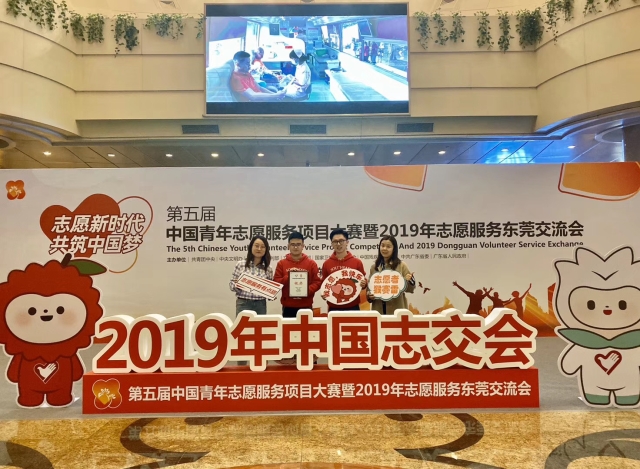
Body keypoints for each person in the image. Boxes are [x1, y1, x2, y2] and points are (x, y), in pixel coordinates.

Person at [273, 232, 322, 318]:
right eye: (293, 244)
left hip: (306, 306)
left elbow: (317, 282)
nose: (295, 247)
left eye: (298, 244)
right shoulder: (281, 264)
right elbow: (276, 282)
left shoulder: (311, 264)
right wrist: (288, 277)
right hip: (288, 306)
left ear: (303, 246)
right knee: (288, 327)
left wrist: (306, 290)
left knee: (306, 327)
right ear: (288, 246)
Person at [366, 235, 415, 315]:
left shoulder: (401, 265)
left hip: (397, 311)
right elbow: (369, 289)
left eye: (388, 246)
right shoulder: (374, 267)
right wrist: (369, 295)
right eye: (382, 246)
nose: (384, 248)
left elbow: (411, 289)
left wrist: (409, 281)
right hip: (379, 311)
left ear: (394, 249)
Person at [321, 228, 367, 311]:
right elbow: (324, 283)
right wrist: (324, 293)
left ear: (347, 242)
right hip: (334, 307)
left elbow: (363, 281)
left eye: (341, 241)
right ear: (331, 244)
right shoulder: (327, 263)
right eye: (335, 241)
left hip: (353, 306)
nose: (338, 244)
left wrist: (364, 284)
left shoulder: (357, 262)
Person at [229, 235, 273, 316]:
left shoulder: (268, 268)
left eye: (262, 247)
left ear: (266, 250)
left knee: (260, 324)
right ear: (251, 247)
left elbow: (269, 290)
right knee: (242, 324)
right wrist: (238, 284)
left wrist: (272, 294)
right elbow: (231, 286)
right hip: (243, 303)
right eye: (256, 246)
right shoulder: (241, 264)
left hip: (260, 304)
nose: (259, 249)